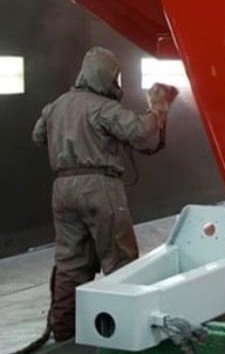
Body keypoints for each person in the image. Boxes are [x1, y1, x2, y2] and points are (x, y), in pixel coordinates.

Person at [31, 46, 178, 341]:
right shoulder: (103, 107)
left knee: (70, 264)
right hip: (100, 186)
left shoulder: (56, 105)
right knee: (120, 260)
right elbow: (139, 131)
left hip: (63, 188)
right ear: (107, 76)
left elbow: (38, 136)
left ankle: (64, 333)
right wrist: (158, 109)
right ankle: (123, 331)